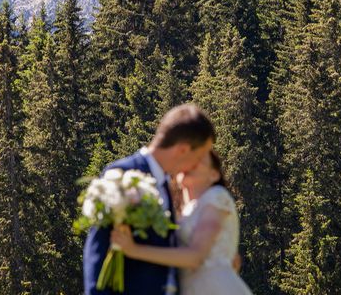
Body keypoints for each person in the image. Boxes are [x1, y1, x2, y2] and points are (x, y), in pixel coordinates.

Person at [83, 103, 215, 295]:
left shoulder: (165, 183)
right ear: (183, 150)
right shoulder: (122, 174)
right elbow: (98, 247)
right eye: (200, 156)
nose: (197, 165)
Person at [111, 150, 253, 295]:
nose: (190, 165)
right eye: (187, 160)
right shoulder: (180, 213)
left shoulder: (217, 196)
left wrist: (134, 250)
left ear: (214, 174)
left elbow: (195, 257)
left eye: (198, 161)